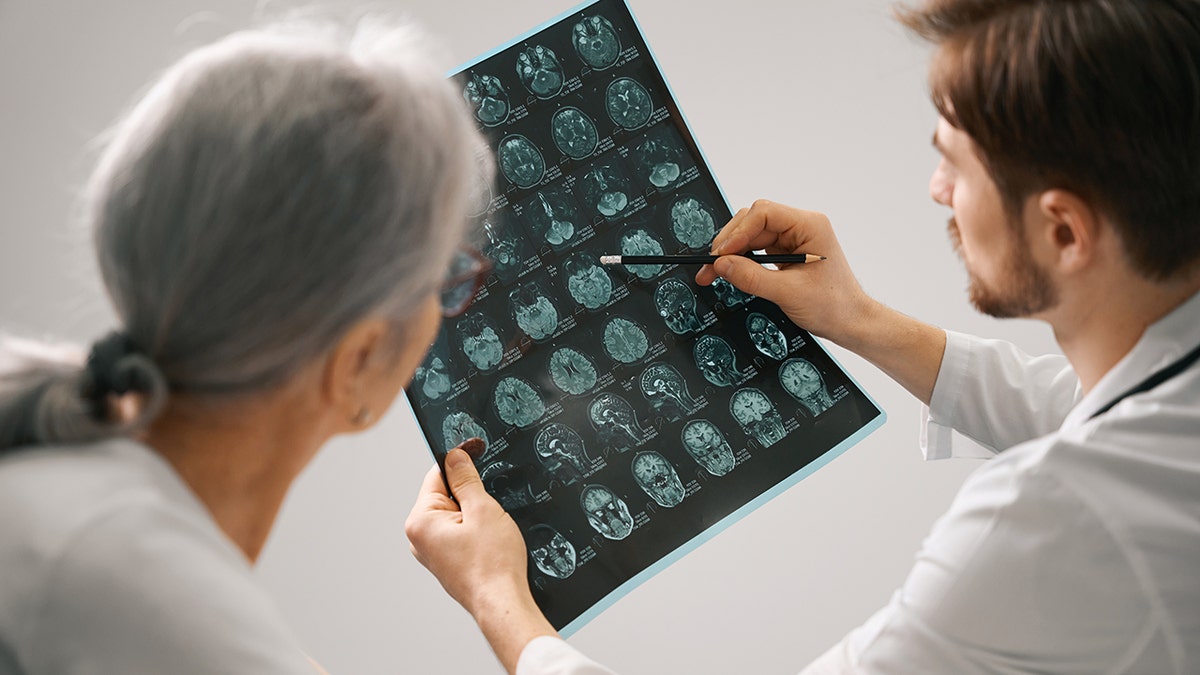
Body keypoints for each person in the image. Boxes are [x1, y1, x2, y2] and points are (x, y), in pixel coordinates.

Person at [405, 0, 1200, 673]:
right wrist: (855, 317)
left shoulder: (1054, 523)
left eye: (954, 163)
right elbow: (1080, 412)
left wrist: (499, 603)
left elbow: (1085, 480)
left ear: (1063, 231)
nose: (937, 190)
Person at [0, 17, 492, 674]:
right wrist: (497, 596)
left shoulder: (73, 505)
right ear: (359, 361)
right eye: (448, 280)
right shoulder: (149, 604)